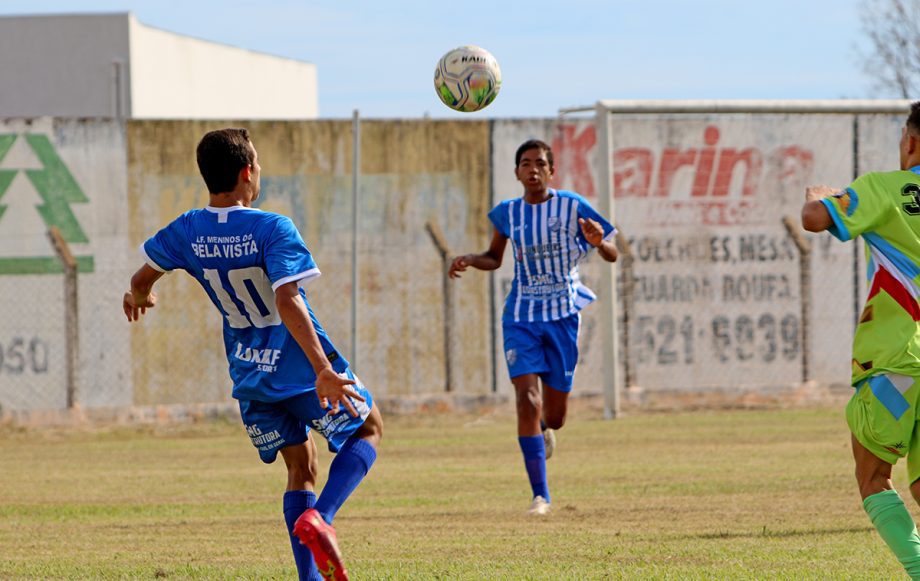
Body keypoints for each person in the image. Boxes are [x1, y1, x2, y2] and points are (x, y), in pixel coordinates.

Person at [122, 128, 382, 581]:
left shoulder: (188, 229)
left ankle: (309, 577)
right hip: (298, 366)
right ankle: (322, 518)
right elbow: (287, 300)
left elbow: (142, 278)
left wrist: (139, 296)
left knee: (301, 464)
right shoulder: (271, 227)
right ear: (247, 172)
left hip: (248, 372)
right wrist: (322, 368)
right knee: (369, 430)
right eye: (257, 164)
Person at [448, 139, 617, 515]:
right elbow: (495, 257)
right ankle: (541, 496)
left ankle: (545, 430)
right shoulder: (508, 213)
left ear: (551, 170)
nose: (533, 169)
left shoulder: (572, 206)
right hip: (521, 317)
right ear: (517, 172)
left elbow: (612, 251)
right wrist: (470, 259)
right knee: (526, 399)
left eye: (540, 163)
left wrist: (599, 243)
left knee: (554, 415)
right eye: (525, 163)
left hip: (561, 317)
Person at [802, 102, 920, 578]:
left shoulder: (884, 187)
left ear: (910, 143)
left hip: (895, 357)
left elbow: (814, 218)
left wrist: (822, 195)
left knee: (873, 476)